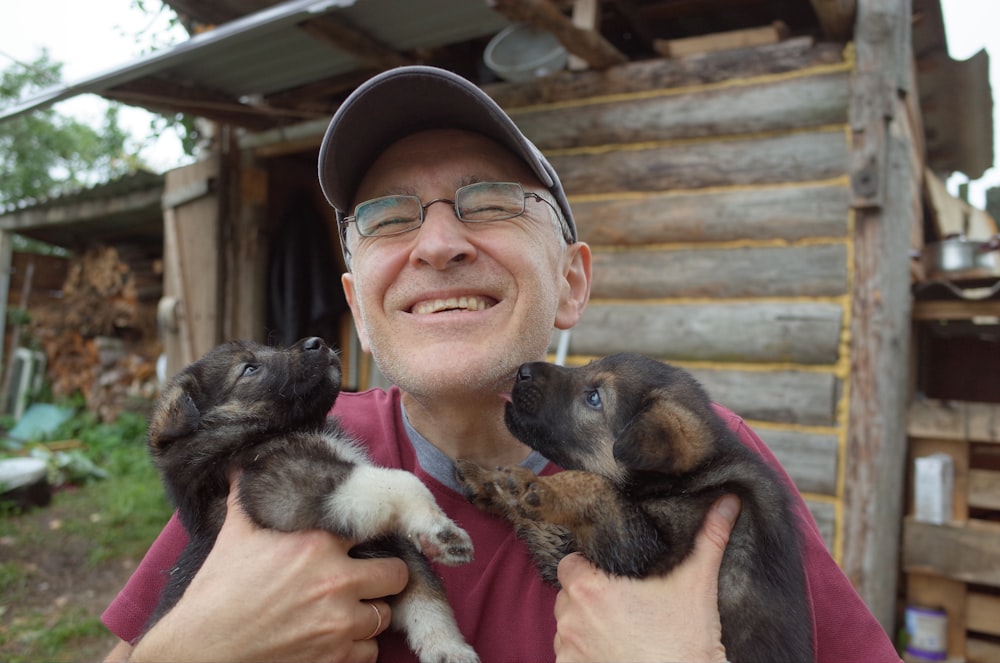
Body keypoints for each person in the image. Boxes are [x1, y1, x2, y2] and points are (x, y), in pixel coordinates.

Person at [103, 66, 901, 663]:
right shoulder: (282, 456)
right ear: (358, 303)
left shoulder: (702, 465)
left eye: (489, 201)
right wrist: (190, 649)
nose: (439, 243)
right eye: (386, 216)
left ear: (571, 281)